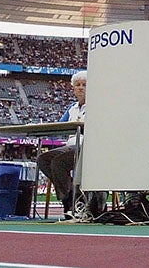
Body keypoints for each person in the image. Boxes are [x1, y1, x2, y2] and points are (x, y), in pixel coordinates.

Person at [36, 70, 88, 218]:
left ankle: (69, 201)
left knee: (58, 161)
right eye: (77, 85)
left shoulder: (97, 106)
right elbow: (60, 126)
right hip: (70, 145)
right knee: (43, 159)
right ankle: (71, 195)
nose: (80, 87)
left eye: (84, 85)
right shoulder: (71, 108)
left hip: (86, 146)